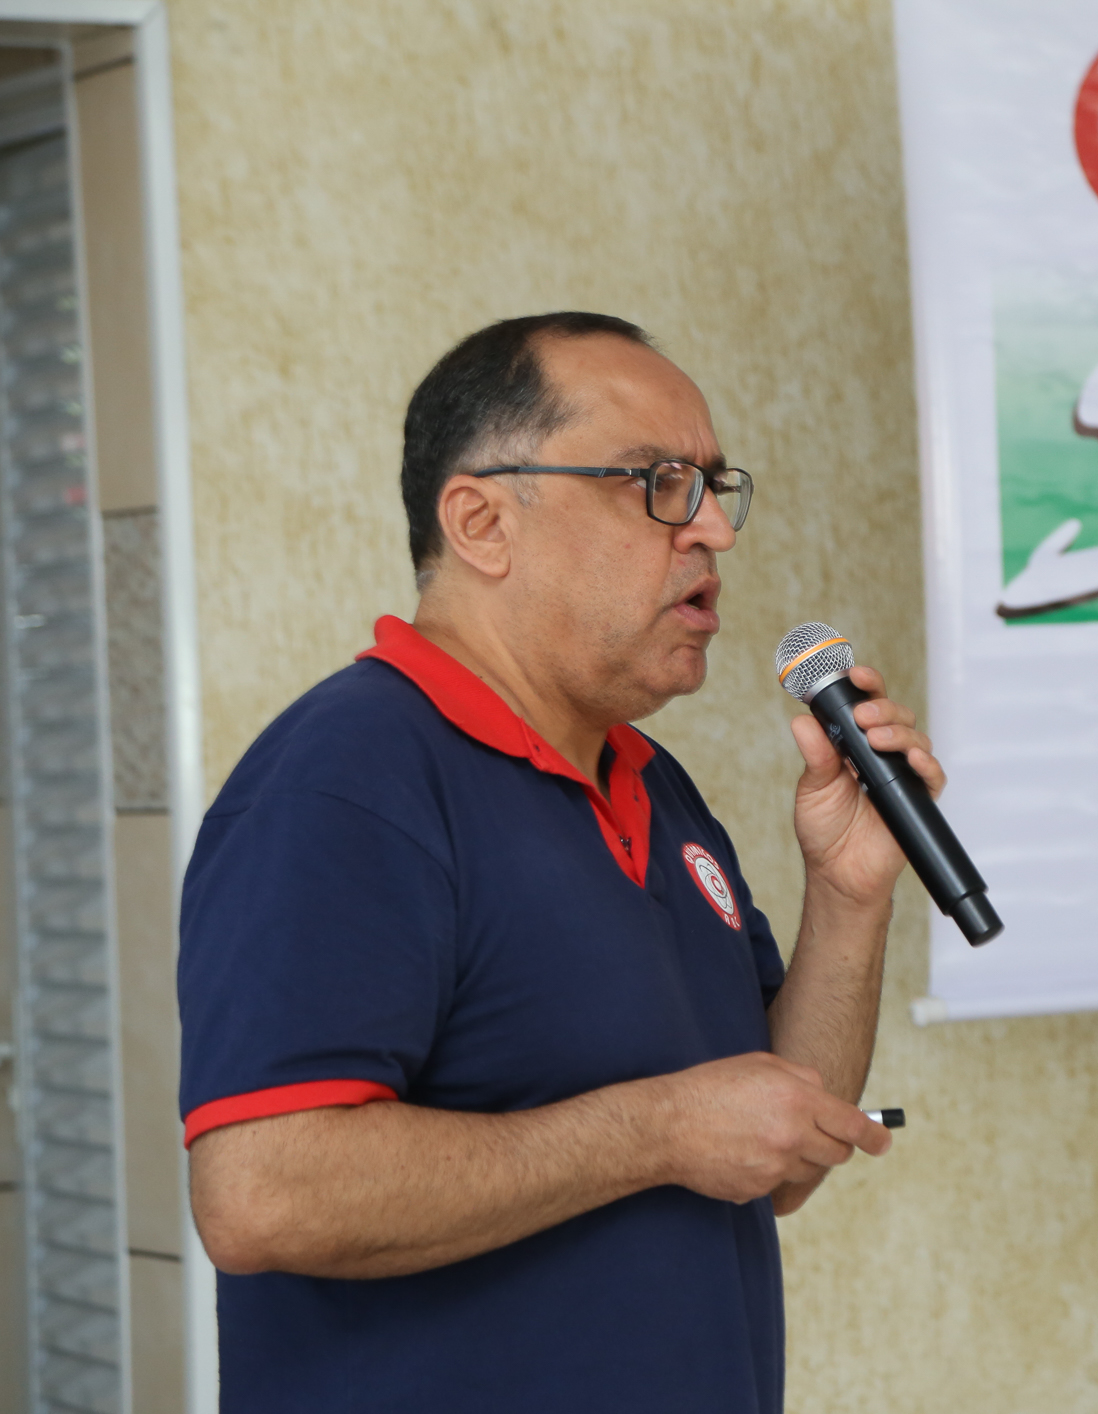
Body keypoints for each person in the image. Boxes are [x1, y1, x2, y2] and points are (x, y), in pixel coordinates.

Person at [178, 312, 935, 1413]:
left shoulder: (655, 784)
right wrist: (658, 1129)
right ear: (482, 520)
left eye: (718, 488)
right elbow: (262, 1193)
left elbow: (776, 1154)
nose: (713, 533)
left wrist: (851, 893)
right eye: (657, 483)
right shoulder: (347, 778)